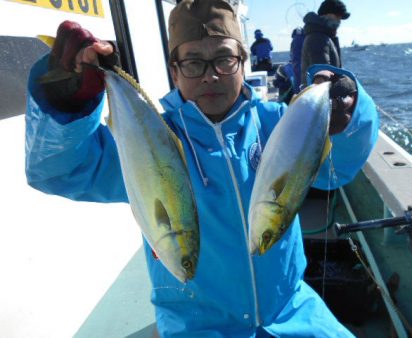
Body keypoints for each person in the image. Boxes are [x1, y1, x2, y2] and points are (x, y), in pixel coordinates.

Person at [25, 0, 379, 337]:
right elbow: (55, 171)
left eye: (224, 60)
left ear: (243, 62)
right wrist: (68, 102)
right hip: (197, 326)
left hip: (291, 311)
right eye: (194, 63)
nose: (210, 77)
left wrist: (351, 115)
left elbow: (338, 168)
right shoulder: (148, 142)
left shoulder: (277, 125)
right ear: (173, 71)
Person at [300, 0, 350, 86]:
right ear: (326, 14)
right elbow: (321, 78)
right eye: (337, 16)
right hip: (322, 97)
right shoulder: (318, 38)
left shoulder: (324, 37)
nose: (339, 21)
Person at [289, 27, 305, 94]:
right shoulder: (305, 38)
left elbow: (292, 54)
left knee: (297, 84)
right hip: (304, 64)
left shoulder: (294, 40)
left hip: (297, 64)